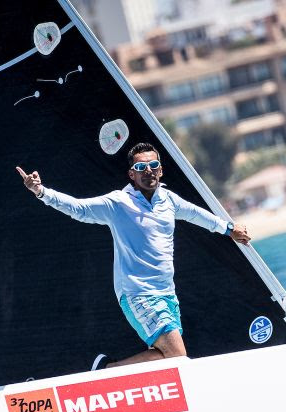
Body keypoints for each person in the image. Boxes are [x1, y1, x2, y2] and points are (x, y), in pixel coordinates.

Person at [17, 142, 251, 368]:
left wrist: (229, 229)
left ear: (160, 169)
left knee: (167, 355)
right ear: (132, 174)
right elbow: (79, 209)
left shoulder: (168, 200)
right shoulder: (118, 203)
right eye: (140, 167)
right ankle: (107, 370)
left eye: (153, 165)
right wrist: (41, 191)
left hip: (167, 292)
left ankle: (110, 369)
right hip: (137, 293)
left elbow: (196, 214)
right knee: (177, 354)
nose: (147, 171)